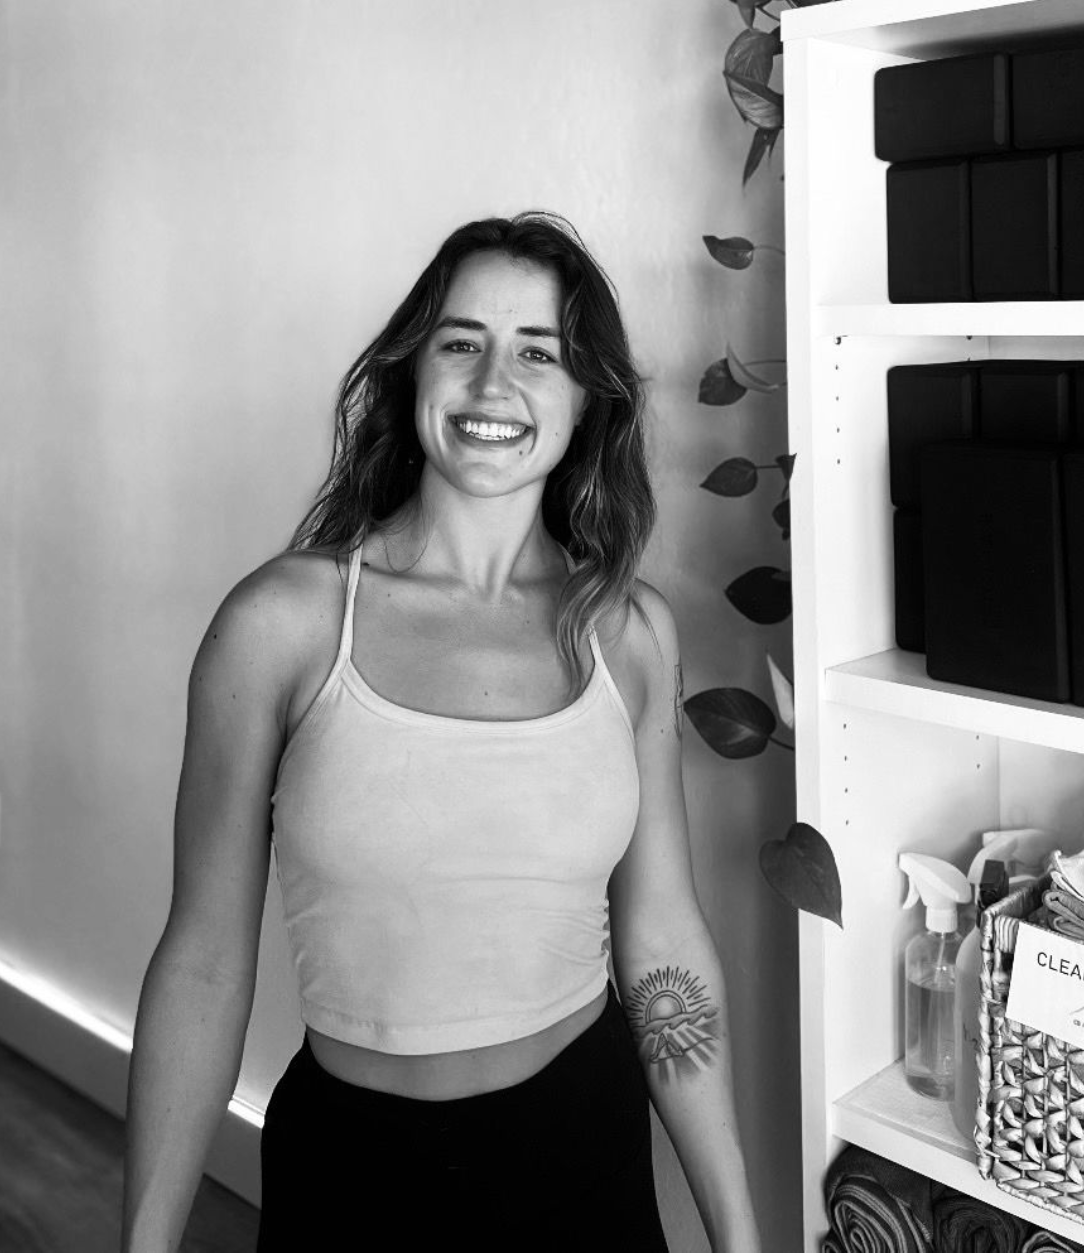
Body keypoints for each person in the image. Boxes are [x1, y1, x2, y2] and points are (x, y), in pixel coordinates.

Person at [121, 212, 761, 1252]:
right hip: (354, 1168)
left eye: (538, 353)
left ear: (584, 396)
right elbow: (202, 959)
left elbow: (661, 937)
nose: (492, 383)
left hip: (581, 1147)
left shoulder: (630, 633)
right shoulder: (279, 624)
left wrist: (736, 1228)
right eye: (461, 342)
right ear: (412, 372)